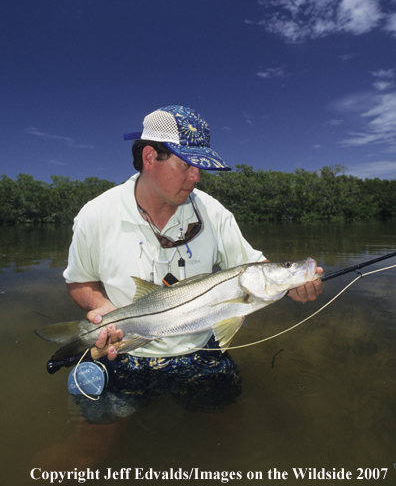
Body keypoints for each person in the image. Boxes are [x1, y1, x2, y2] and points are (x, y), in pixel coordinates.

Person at [63, 105, 322, 422]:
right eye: (186, 164)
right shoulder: (96, 214)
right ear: (149, 158)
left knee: (228, 430)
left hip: (201, 351)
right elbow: (79, 282)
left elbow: (256, 267)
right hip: (126, 350)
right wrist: (101, 307)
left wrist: (294, 284)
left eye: (200, 165)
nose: (197, 176)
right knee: (93, 445)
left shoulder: (213, 212)